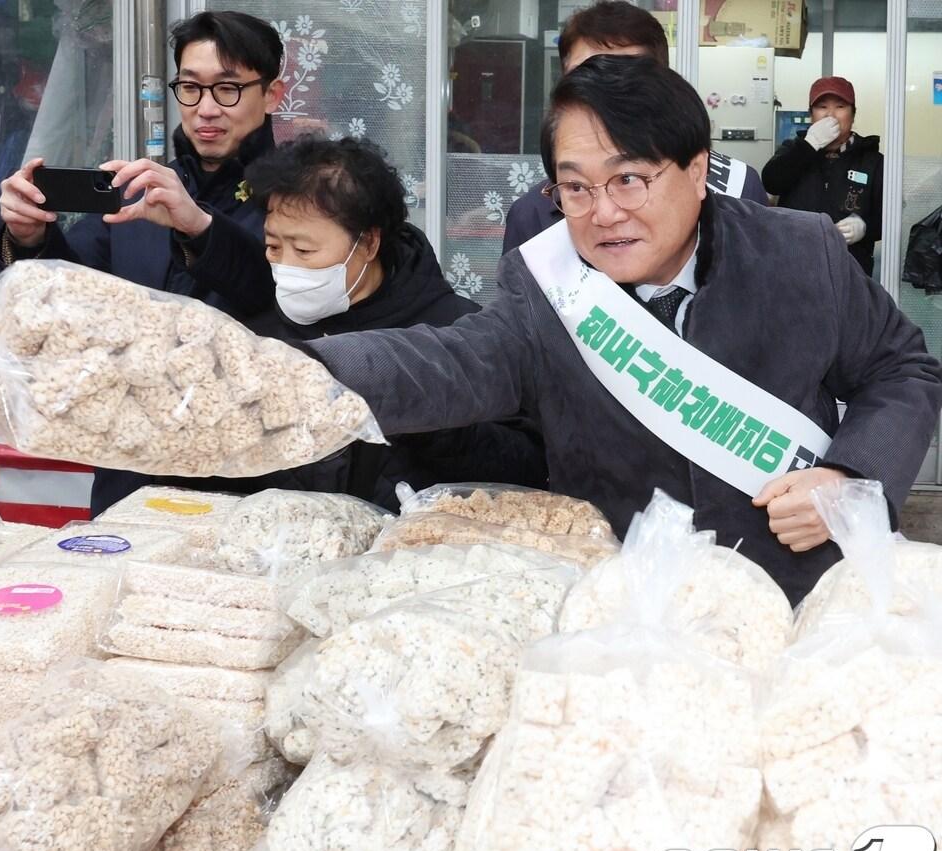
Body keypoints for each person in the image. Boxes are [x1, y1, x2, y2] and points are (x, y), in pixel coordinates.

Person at [297, 56, 941, 605]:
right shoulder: (547, 282)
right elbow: (452, 360)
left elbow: (901, 368)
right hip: (622, 605)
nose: (603, 213)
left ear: (696, 170)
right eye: (574, 188)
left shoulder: (801, 251)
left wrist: (849, 479)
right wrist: (291, 369)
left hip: (790, 595)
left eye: (629, 179)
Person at [149, 135, 547, 510]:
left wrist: (433, 418)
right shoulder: (260, 333)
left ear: (369, 242)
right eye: (273, 246)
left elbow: (525, 468)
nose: (286, 265)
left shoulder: (455, 332)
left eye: (305, 249)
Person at [0, 10, 285, 512]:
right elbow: (65, 291)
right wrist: (28, 235)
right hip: (131, 478)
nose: (206, 109)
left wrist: (197, 225)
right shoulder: (142, 190)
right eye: (191, 88)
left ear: (272, 95)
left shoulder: (300, 196)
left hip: (246, 481)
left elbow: (280, 296)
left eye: (228, 89)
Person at [501, 0, 769, 255]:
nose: (603, 95)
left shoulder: (737, 186)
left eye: (627, 79)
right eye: (586, 76)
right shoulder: (531, 216)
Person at [762, 76, 883, 276]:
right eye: (822, 107)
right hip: (794, 268)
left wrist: (864, 227)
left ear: (853, 115)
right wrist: (810, 144)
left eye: (840, 106)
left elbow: (888, 218)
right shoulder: (794, 150)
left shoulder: (872, 161)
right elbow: (771, 182)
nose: (831, 115)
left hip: (851, 272)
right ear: (811, 115)